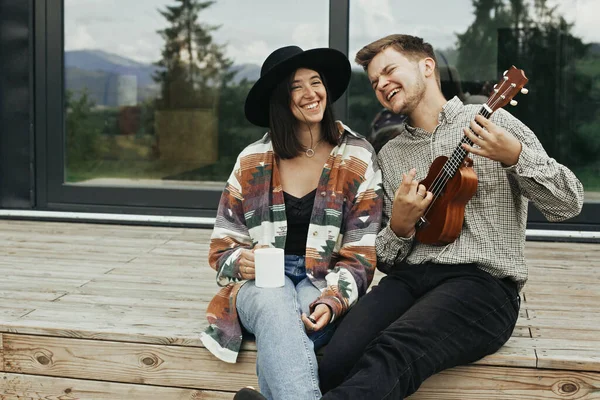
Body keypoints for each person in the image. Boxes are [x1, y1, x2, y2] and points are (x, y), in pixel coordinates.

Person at [316, 34, 584, 399]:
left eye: (389, 70)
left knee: (395, 348)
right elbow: (388, 259)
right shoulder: (390, 155)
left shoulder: (493, 123)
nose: (381, 85)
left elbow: (568, 203)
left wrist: (515, 154)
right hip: (410, 281)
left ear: (427, 67)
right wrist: (400, 225)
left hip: (483, 286)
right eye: (375, 82)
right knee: (336, 358)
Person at [200, 45, 382, 400]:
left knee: (288, 323)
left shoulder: (357, 157)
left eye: (316, 82)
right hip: (261, 284)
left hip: (325, 279)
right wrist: (242, 261)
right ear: (281, 99)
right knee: (275, 305)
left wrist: (333, 300)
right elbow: (222, 250)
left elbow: (361, 255)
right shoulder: (252, 161)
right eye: (297, 86)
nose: (311, 93)